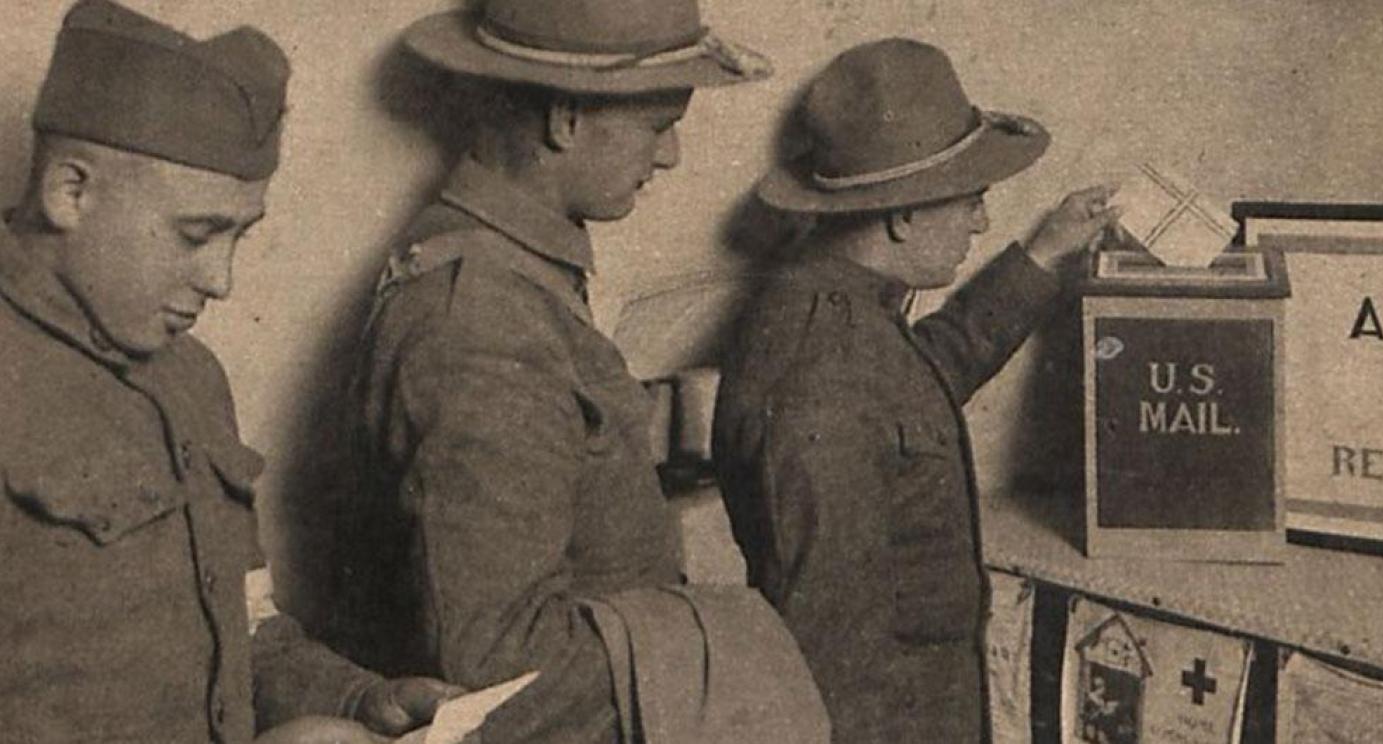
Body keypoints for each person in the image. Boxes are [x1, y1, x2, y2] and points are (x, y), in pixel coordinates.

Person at [327, 0, 820, 742]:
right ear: (564, 117)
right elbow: (500, 679)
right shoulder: (478, 323)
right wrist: (733, 637)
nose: (671, 155)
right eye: (659, 125)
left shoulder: (512, 271)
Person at [0, 2, 458, 741]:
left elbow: (236, 627)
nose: (222, 281)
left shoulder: (191, 377)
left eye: (239, 237)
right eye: (196, 234)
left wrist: (356, 700)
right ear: (70, 192)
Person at [713, 37, 1121, 744]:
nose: (981, 222)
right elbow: (831, 650)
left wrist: (1045, 251)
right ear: (903, 215)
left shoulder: (837, 312)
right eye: (972, 201)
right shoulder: (825, 372)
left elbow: (920, 375)